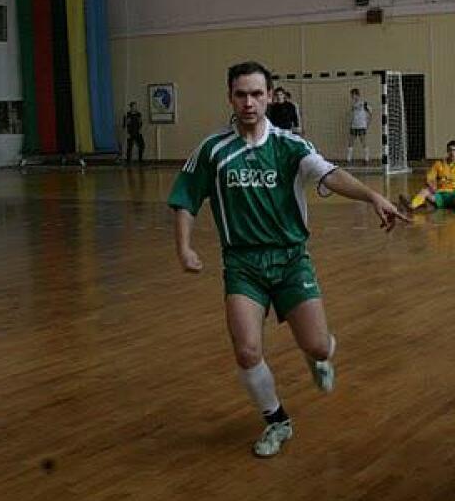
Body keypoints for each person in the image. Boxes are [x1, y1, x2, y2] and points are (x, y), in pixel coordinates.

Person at [169, 61, 407, 458]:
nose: (249, 102)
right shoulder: (213, 150)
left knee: (317, 346)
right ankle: (277, 421)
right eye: (241, 94)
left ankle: (320, 356)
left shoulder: (290, 146)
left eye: (256, 94)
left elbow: (329, 174)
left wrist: (372, 196)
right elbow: (185, 198)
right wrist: (184, 248)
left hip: (291, 260)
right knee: (246, 351)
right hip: (243, 264)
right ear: (230, 98)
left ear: (269, 96)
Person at [400, 140, 455, 212]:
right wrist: (431, 187)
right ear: (447, 151)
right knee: (425, 191)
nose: (452, 153)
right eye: (450, 150)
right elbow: (429, 178)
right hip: (440, 195)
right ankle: (412, 206)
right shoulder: (439, 164)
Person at [347, 88, 372, 163]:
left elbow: (370, 113)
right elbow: (352, 115)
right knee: (351, 141)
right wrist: (350, 123)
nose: (352, 96)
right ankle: (349, 158)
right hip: (354, 126)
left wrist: (368, 123)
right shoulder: (353, 105)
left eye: (353, 95)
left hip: (362, 126)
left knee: (363, 141)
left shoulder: (364, 103)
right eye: (351, 95)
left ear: (357, 95)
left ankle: (366, 158)